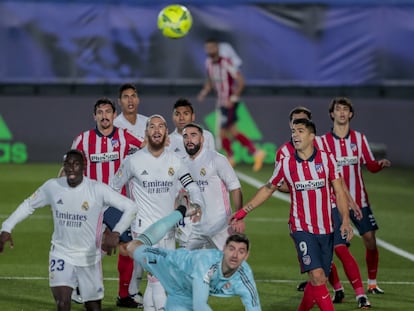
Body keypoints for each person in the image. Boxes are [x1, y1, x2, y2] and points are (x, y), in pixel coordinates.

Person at [231, 118, 354, 311]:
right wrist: (244, 211)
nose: (295, 135)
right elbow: (268, 188)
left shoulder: (327, 159)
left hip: (327, 228)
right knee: (316, 275)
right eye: (293, 131)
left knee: (319, 279)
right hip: (301, 227)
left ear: (312, 136)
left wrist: (345, 221)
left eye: (300, 131)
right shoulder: (286, 163)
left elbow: (339, 191)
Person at [0, 150, 138, 311]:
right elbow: (28, 204)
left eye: (76, 164)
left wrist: (116, 232)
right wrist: (7, 227)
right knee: (63, 303)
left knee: (93, 307)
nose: (71, 168)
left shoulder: (97, 189)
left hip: (89, 259)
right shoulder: (53, 186)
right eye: (67, 165)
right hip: (61, 254)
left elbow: (131, 207)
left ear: (84, 167)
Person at [278, 107, 371, 309]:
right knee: (319, 272)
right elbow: (282, 183)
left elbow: (336, 181)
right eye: (295, 123)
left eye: (303, 123)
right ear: (290, 125)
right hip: (307, 217)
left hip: (331, 209)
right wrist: (300, 187)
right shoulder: (284, 153)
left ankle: (361, 295)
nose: (298, 128)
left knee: (339, 252)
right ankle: (337, 288)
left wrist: (350, 202)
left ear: (311, 128)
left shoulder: (322, 147)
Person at [110, 114, 205, 311]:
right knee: (157, 279)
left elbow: (192, 186)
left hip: (168, 230)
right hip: (143, 230)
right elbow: (112, 189)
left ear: (165, 133)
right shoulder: (132, 161)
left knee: (159, 281)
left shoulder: (176, 161)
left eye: (161, 126)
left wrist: (198, 204)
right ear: (146, 132)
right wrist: (116, 222)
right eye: (152, 126)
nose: (156, 130)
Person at [126, 190, 262, 311]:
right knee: (132, 247)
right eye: (232, 249)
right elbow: (199, 306)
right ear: (223, 250)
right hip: (171, 265)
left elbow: (254, 306)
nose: (235, 255)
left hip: (183, 293)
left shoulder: (245, 275)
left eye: (241, 251)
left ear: (247, 256)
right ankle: (180, 212)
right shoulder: (207, 265)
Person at [71, 97, 143, 308]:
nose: (104, 115)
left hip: (117, 203)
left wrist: (163, 140)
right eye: (100, 112)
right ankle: (79, 285)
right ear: (95, 116)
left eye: (108, 112)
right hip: (91, 203)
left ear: (114, 115)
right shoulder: (82, 140)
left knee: (127, 247)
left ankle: (124, 296)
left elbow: (146, 147)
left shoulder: (124, 136)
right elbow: (69, 167)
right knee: (92, 247)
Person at [321, 97, 391, 295]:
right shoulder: (323, 142)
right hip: (334, 202)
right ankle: (338, 287)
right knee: (337, 247)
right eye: (338, 109)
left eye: (345, 109)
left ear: (350, 114)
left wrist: (379, 165)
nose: (342, 112)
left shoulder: (359, 139)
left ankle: (372, 283)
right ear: (331, 114)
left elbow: (369, 164)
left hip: (359, 200)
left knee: (369, 238)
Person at [197, 37, 266, 171]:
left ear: (217, 48)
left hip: (229, 103)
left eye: (212, 47)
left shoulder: (226, 63)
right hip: (220, 103)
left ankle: (232, 157)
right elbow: (210, 81)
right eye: (207, 48)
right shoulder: (208, 63)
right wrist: (204, 91)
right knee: (232, 131)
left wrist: (232, 98)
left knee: (222, 132)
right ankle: (255, 153)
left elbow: (241, 82)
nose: (209, 50)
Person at [182, 123, 245, 250]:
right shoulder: (182, 164)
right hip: (196, 229)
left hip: (221, 227)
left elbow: (235, 188)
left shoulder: (216, 159)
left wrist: (239, 218)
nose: (189, 140)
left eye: (193, 135)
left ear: (202, 139)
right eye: (185, 136)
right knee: (187, 265)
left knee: (228, 266)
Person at [113, 83, 148, 305]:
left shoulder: (147, 123)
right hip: (122, 192)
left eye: (133, 96)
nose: (130, 100)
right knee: (124, 244)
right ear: (120, 102)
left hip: (146, 191)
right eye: (125, 97)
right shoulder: (115, 125)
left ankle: (133, 290)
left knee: (142, 241)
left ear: (138, 99)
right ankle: (128, 292)